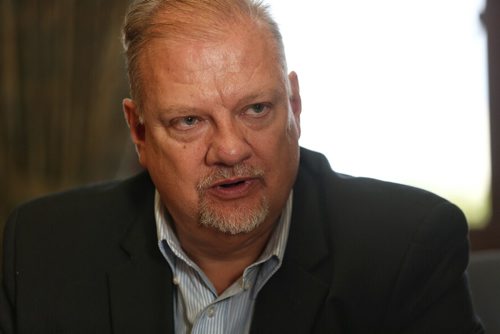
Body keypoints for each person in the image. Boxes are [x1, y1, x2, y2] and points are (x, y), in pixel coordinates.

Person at [0, 0, 484, 333]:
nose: (231, 150)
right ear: (140, 132)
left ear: (293, 105)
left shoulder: (407, 249)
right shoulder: (43, 247)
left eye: (256, 109)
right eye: (189, 120)